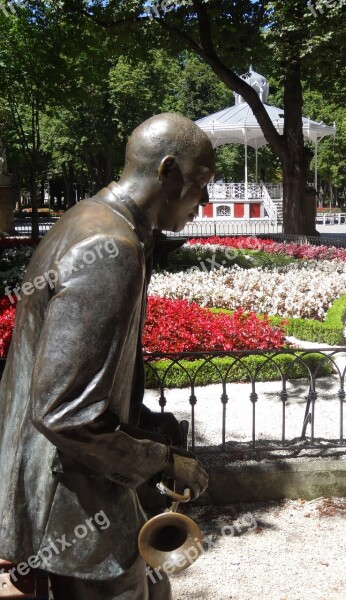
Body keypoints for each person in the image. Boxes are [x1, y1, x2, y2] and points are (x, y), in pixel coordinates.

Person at [0, 113, 214, 599]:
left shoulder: (86, 217)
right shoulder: (111, 247)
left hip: (62, 484)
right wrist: (162, 462)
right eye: (200, 184)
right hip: (71, 499)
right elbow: (65, 413)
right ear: (167, 171)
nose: (204, 203)